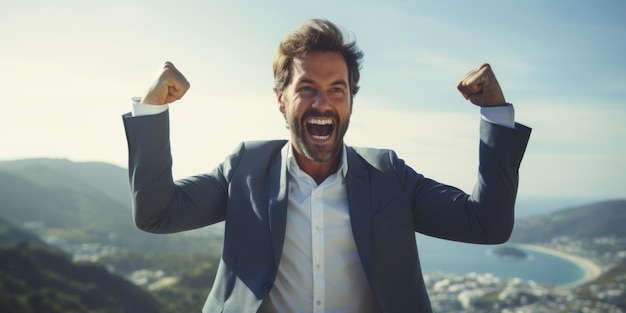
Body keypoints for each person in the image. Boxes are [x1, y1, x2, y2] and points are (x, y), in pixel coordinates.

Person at [122, 19, 531, 313]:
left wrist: (495, 112)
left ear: (351, 100)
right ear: (280, 99)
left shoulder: (390, 176)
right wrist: (152, 108)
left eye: (337, 89)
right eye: (307, 89)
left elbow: (487, 224)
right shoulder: (245, 168)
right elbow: (157, 214)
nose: (323, 103)